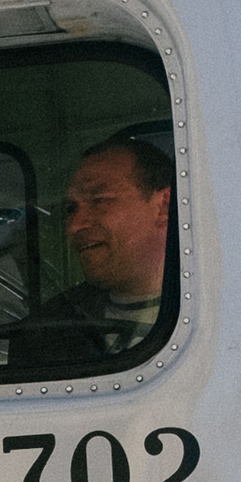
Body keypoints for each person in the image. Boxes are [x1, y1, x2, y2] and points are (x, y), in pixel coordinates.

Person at [25, 136, 175, 360]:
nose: (75, 225)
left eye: (99, 199)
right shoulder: (45, 331)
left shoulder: (226, 310)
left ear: (163, 207)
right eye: (71, 208)